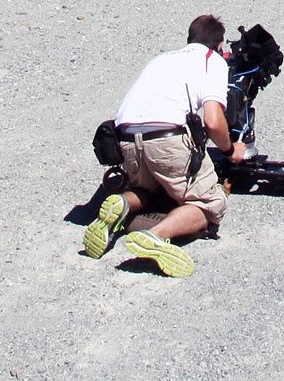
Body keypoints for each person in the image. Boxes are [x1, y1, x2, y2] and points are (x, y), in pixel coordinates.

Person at [83, 16, 251, 278]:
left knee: (147, 188)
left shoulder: (161, 59)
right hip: (166, 138)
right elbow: (213, 121)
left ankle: (120, 203)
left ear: (189, 40)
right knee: (210, 204)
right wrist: (231, 150)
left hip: (125, 139)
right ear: (218, 46)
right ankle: (154, 237)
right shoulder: (212, 61)